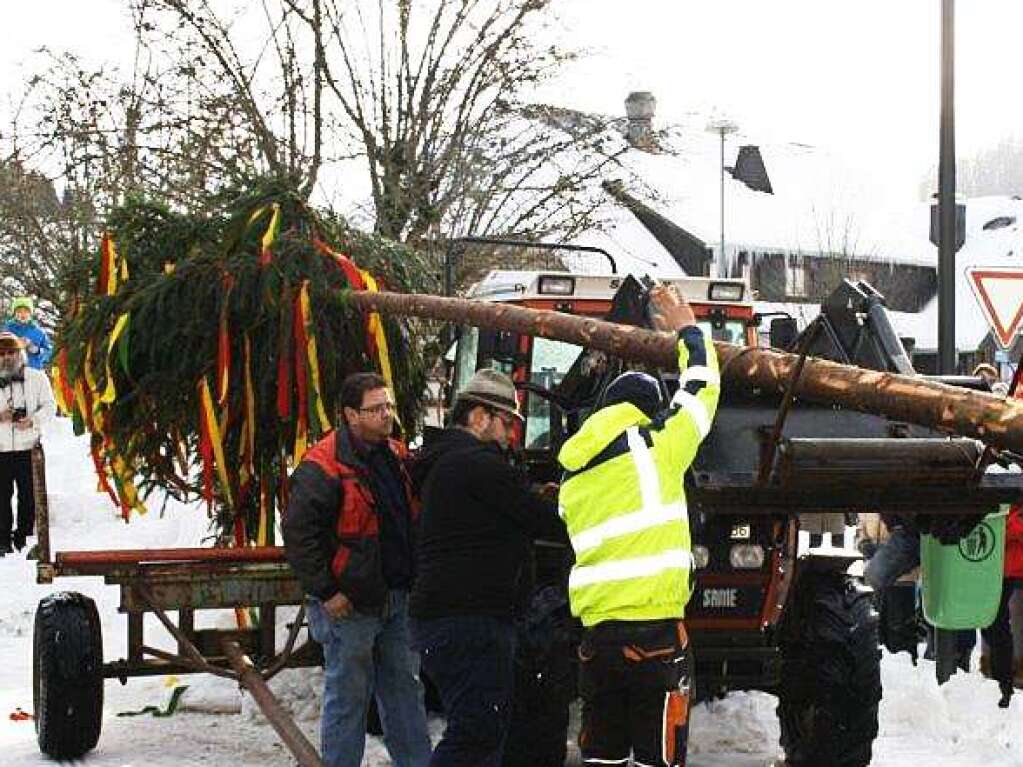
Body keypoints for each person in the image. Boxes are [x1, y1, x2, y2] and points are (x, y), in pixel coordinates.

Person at [556, 285, 720, 767]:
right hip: (654, 638)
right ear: (648, 412)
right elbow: (703, 387)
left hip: (597, 643)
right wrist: (688, 327)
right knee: (658, 760)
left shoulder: (573, 475)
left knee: (603, 759)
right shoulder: (657, 446)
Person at [409, 368, 564, 767]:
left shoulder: (447, 463)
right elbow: (544, 520)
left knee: (484, 731)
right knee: (475, 732)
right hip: (471, 621)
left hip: (451, 619)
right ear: (479, 416)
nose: (511, 435)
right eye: (506, 422)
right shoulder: (476, 465)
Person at [283, 372, 431, 767]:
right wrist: (327, 592)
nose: (387, 415)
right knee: (347, 699)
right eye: (376, 408)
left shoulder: (396, 456)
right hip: (350, 608)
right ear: (350, 414)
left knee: (405, 694)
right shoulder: (322, 465)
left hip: (397, 599)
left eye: (389, 406)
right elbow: (299, 535)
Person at [0, 331, 55, 554]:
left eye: (11, 352)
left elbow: (51, 406)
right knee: (1, 497)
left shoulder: (38, 377)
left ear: (20, 354)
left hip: (28, 448)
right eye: (1, 353)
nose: (6, 357)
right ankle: (2, 539)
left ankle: (23, 536)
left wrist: (32, 421)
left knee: (29, 495)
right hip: (1, 449)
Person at [982, 501, 1023, 708]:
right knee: (992, 623)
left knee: (996, 624)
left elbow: (1016, 527)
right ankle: (1001, 681)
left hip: (1007, 567)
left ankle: (1004, 683)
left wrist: (1000, 525)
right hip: (994, 563)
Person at [4, 297, 52, 370]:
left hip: (33, 370)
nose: (23, 314)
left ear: (30, 313)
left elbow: (48, 352)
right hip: (11, 371)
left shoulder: (39, 332)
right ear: (14, 313)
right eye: (19, 311)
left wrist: (36, 350)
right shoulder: (7, 329)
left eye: (26, 311)